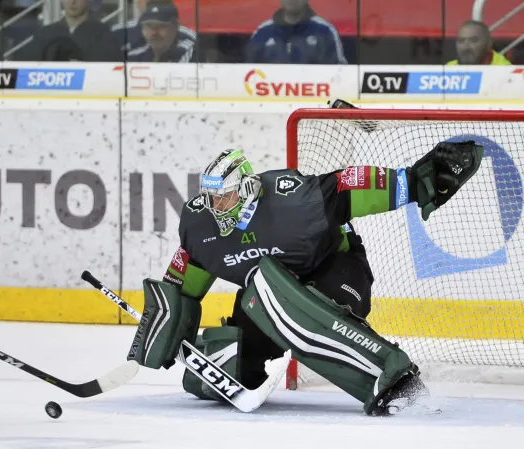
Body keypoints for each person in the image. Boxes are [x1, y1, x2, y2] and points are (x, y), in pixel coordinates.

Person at [125, 100, 485, 416]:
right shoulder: (200, 227)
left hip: (338, 277)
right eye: (211, 198)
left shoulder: (293, 202)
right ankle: (234, 363)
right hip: (267, 303)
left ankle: (391, 375)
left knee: (265, 282)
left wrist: (416, 181)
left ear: (247, 188)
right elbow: (183, 285)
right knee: (221, 369)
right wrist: (164, 325)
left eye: (225, 197)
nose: (216, 206)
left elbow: (347, 185)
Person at [447, 20, 511, 66]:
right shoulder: (449, 68)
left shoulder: (505, 70)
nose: (466, 46)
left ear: (489, 44)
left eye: (473, 40)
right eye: (461, 41)